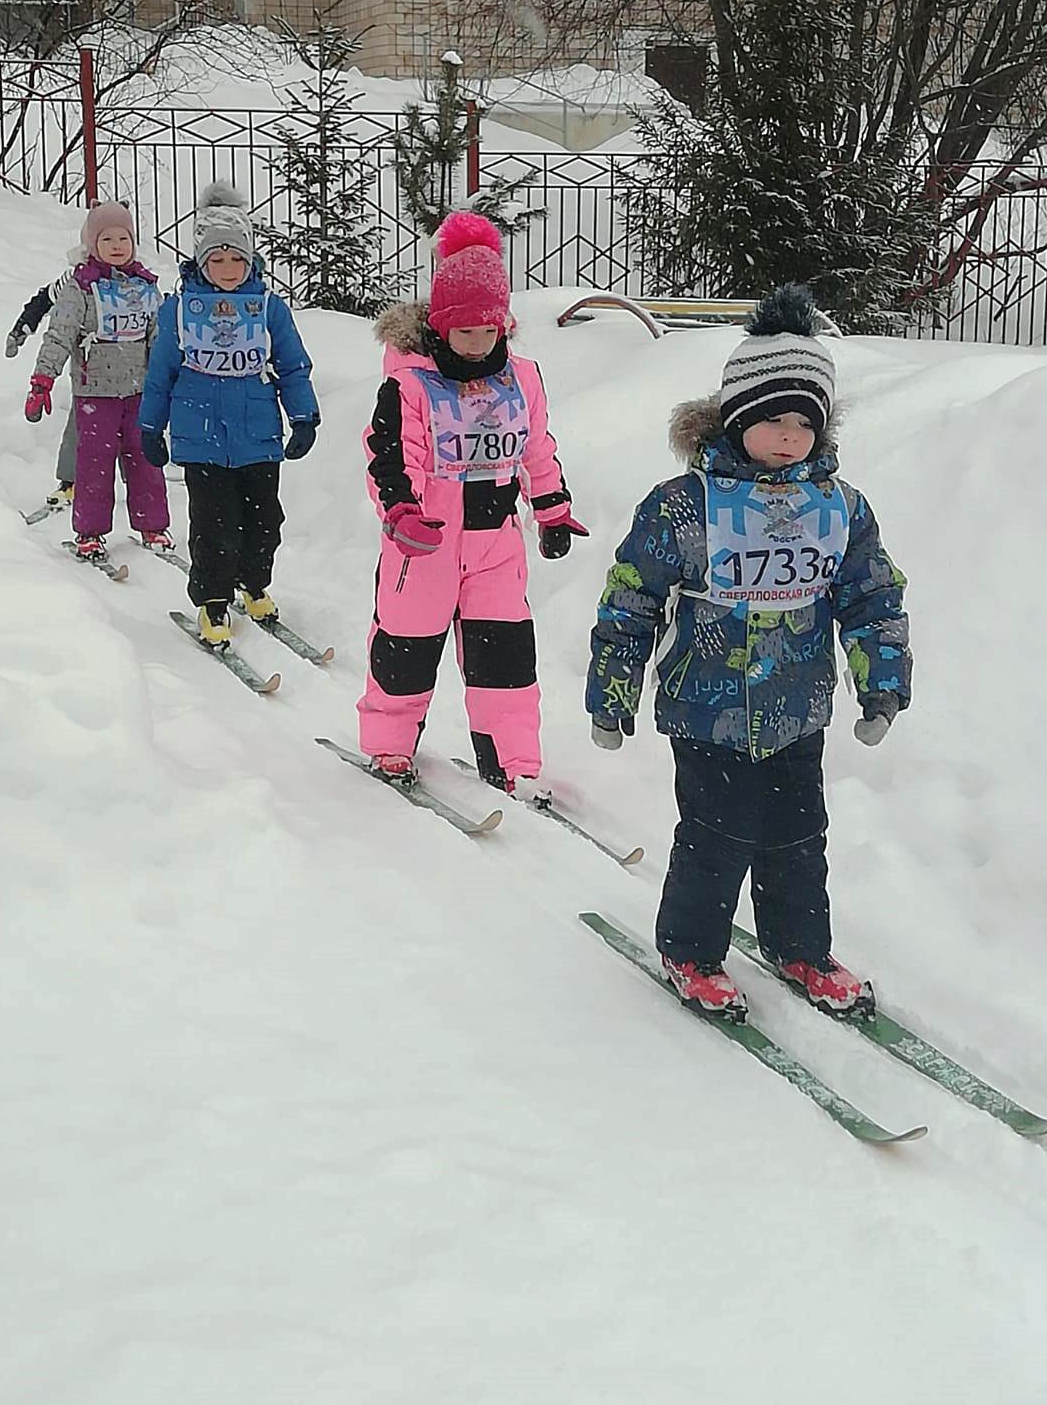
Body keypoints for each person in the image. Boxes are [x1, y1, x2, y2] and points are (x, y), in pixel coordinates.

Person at [585, 284, 911, 1017]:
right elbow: (631, 599)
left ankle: (799, 944)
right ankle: (691, 950)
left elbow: (870, 597)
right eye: (771, 418)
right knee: (716, 835)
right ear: (736, 418)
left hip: (799, 703)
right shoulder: (684, 504)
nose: (789, 435)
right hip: (709, 706)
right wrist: (612, 691)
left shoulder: (839, 508)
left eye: (804, 421)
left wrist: (881, 681)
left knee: (799, 833)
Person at [358, 210, 586, 792]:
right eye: (466, 333)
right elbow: (389, 456)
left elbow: (536, 445)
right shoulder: (410, 382)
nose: (480, 344)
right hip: (424, 542)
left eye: (491, 331)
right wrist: (401, 512)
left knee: (505, 656)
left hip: (495, 542)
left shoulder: (522, 378)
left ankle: (513, 761)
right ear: (440, 326)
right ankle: (390, 745)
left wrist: (552, 507)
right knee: (405, 648)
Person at [138, 183, 321, 646]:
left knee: (264, 521)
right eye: (216, 260)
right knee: (214, 524)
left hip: (257, 432)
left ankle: (253, 581)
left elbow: (292, 365)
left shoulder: (268, 309)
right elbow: (161, 371)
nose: (226, 269)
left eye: (236, 259)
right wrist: (149, 425)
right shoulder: (179, 310)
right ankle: (213, 600)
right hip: (199, 433)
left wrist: (303, 417)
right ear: (201, 262)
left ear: (250, 261)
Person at [26, 202, 170, 559]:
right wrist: (43, 379)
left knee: (145, 459)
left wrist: (170, 381)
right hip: (96, 393)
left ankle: (152, 524)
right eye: (107, 238)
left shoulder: (146, 287)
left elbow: (161, 339)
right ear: (93, 243)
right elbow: (59, 335)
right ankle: (90, 531)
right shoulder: (81, 287)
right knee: (94, 463)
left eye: (124, 237)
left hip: (139, 392)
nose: (117, 245)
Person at [7, 269, 77, 506]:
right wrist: (23, 327)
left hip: (135, 374)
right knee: (82, 427)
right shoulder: (79, 277)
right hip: (92, 376)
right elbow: (46, 298)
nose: (114, 247)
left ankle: (142, 489)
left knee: (135, 433)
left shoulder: (138, 281)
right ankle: (70, 482)